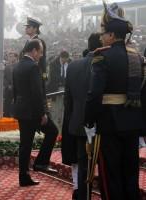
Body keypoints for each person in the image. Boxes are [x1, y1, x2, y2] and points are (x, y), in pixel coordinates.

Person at [85, 3, 144, 200]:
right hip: (133, 123)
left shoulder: (102, 57)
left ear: (111, 35)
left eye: (103, 33)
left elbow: (95, 94)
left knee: (111, 174)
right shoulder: (137, 57)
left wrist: (89, 121)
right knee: (130, 172)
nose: (101, 37)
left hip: (109, 123)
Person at [62, 33, 102, 200]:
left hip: (79, 123)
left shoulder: (73, 66)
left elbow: (67, 100)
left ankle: (82, 196)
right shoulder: (104, 65)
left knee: (82, 163)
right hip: (102, 124)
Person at [13, 39, 58, 187]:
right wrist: (43, 113)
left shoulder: (17, 65)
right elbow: (37, 93)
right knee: (53, 131)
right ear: (33, 50)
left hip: (22, 110)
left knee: (25, 144)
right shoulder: (33, 67)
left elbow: (15, 91)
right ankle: (41, 162)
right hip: (33, 112)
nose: (41, 55)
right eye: (40, 52)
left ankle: (24, 176)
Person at [3, 51, 18, 117]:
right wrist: (7, 85)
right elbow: (4, 77)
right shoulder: (7, 67)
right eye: (9, 57)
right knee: (7, 105)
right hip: (8, 90)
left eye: (11, 56)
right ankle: (7, 116)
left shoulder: (19, 66)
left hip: (17, 89)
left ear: (15, 57)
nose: (10, 58)